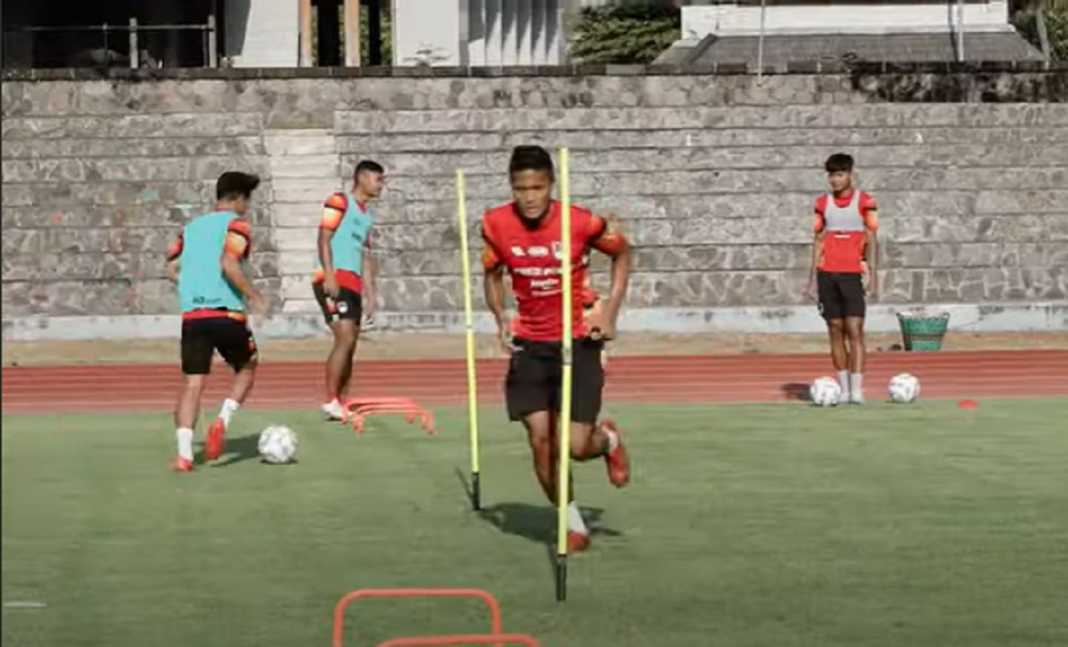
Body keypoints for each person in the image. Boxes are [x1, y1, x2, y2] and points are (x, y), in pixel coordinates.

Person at [481, 145, 632, 553]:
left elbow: (622, 253)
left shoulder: (582, 222)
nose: (529, 197)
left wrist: (610, 313)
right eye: (520, 188)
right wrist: (499, 318)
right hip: (529, 346)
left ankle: (609, 441)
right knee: (541, 441)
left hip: (577, 342)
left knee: (575, 446)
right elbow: (491, 271)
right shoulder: (494, 223)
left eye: (537, 187)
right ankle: (573, 524)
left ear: (551, 184)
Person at [165, 171, 266, 472]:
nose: (248, 206)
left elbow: (171, 264)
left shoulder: (191, 228)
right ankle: (222, 420)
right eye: (247, 199)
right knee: (248, 367)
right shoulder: (237, 226)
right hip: (226, 313)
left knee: (192, 384)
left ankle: (184, 455)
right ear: (236, 198)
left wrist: (189, 284)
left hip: (193, 316)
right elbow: (228, 263)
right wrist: (254, 295)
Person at [805, 153, 879, 404]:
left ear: (850, 174)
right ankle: (843, 388)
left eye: (839, 174)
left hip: (852, 275)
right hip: (828, 274)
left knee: (855, 329)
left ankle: (857, 390)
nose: (835, 180)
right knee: (835, 329)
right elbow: (817, 241)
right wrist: (812, 278)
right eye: (831, 175)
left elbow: (873, 238)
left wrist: (873, 272)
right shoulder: (821, 203)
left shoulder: (866, 202)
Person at [312, 160, 383, 420]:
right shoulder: (339, 201)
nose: (381, 185)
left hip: (352, 282)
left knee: (351, 342)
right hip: (332, 278)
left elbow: (365, 256)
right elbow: (324, 237)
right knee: (344, 337)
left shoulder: (366, 217)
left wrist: (371, 294)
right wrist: (329, 274)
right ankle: (331, 399)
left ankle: (341, 401)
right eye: (378, 179)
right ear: (362, 177)